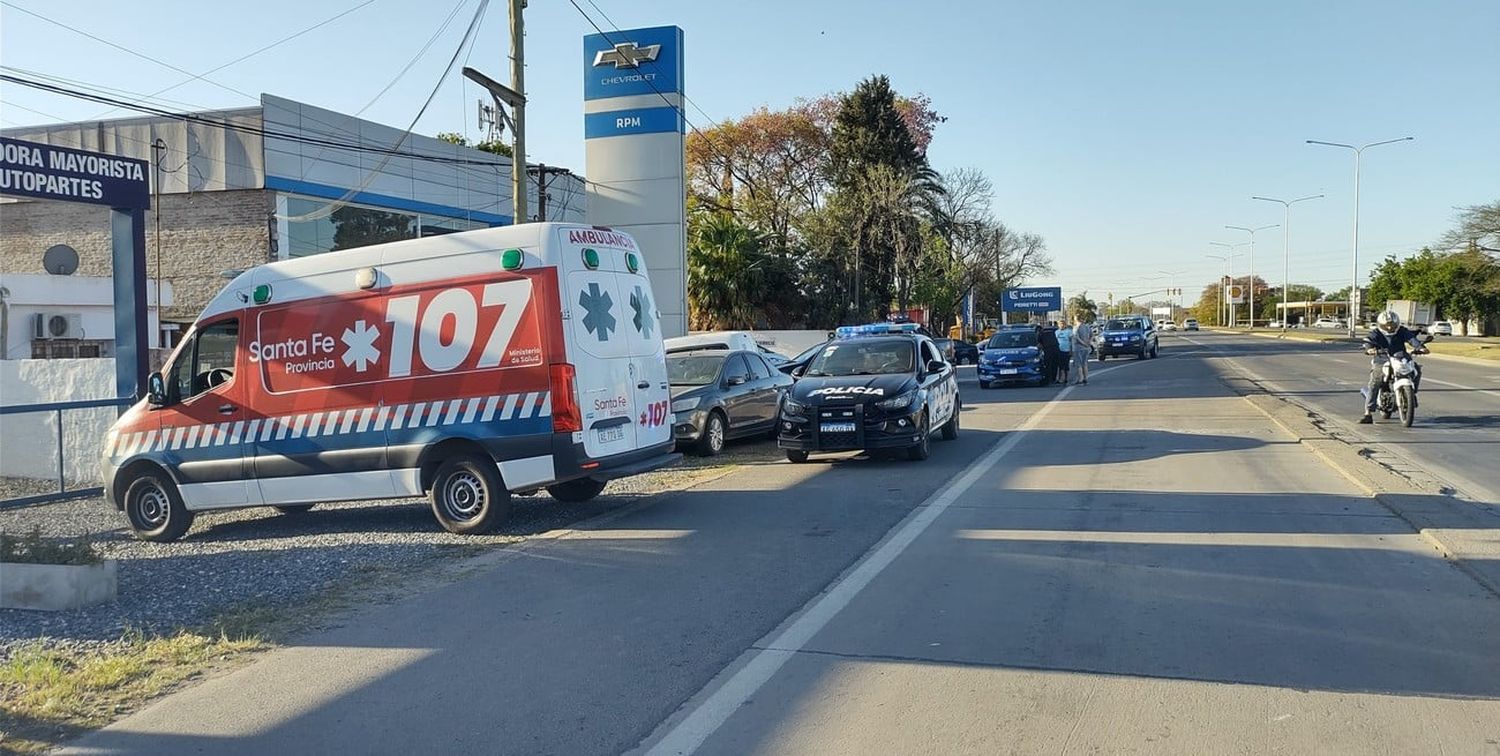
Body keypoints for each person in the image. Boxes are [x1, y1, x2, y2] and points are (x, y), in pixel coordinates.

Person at [1359, 310, 1427, 424]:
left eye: (1392, 325)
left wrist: (1420, 347)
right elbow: (1369, 340)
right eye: (1386, 325)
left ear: (1397, 324)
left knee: (1416, 369)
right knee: (1375, 381)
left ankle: (1411, 394)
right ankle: (1368, 413)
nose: (1390, 328)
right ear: (1381, 325)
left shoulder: (1401, 331)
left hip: (1401, 358)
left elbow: (1411, 339)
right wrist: (1369, 348)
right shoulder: (1376, 333)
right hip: (1382, 359)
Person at [1071, 315, 1093, 385]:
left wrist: (1083, 343)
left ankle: (1080, 378)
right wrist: (1089, 342)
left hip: (1078, 348)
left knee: (1079, 364)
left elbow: (1076, 337)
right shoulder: (1087, 327)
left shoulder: (1076, 327)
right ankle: (1086, 378)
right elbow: (1092, 335)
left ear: (1076, 319)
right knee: (1085, 363)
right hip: (1086, 348)